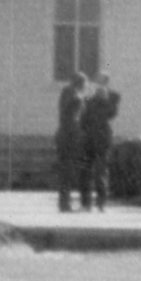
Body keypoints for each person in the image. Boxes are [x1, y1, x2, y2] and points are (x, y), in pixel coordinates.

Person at [80, 76, 120, 210]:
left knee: (90, 171)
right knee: (99, 172)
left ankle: (88, 203)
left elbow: (83, 122)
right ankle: (100, 202)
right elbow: (112, 111)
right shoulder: (107, 102)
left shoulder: (90, 102)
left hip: (91, 139)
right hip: (101, 139)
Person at [54, 69, 89, 212]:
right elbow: (70, 113)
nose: (86, 86)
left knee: (67, 170)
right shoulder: (72, 93)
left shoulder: (70, 92)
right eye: (85, 83)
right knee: (67, 170)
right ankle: (64, 203)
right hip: (68, 136)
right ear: (79, 83)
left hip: (67, 135)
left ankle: (65, 202)